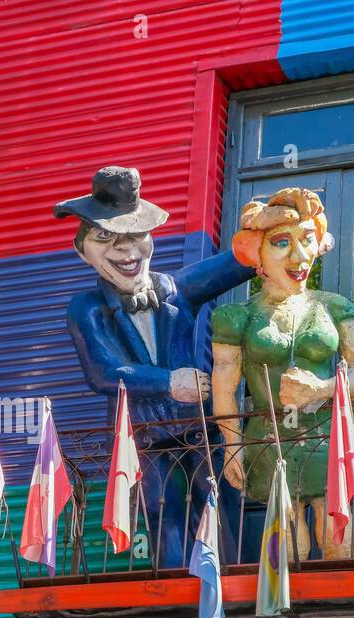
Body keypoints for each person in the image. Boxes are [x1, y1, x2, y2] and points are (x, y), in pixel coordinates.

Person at [55, 165, 254, 568]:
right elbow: (104, 373)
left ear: (150, 241)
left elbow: (237, 262)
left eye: (134, 238)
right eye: (105, 239)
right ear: (83, 250)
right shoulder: (86, 309)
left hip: (201, 430)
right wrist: (169, 381)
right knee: (164, 516)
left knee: (221, 506)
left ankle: (233, 580)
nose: (125, 253)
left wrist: (266, 226)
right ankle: (176, 588)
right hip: (144, 440)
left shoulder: (173, 289)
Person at [211, 188, 354, 561]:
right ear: (257, 254)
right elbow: (225, 386)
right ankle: (284, 612)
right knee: (287, 540)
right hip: (269, 441)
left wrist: (323, 387)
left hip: (325, 438)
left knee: (336, 531)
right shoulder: (238, 316)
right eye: (283, 243)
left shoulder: (334, 307)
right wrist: (231, 446)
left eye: (308, 240)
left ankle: (338, 606)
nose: (300, 257)